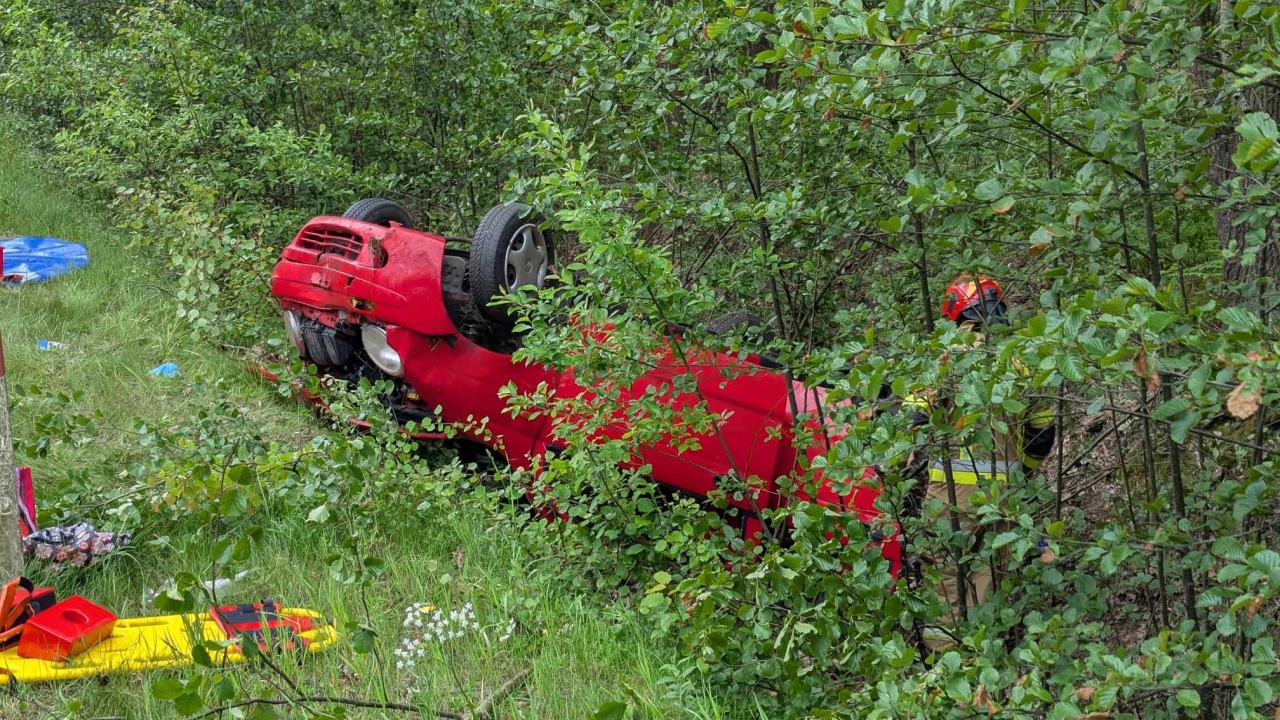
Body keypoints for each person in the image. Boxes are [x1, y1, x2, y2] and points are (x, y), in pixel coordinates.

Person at [907, 275, 1056, 651]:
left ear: (958, 312)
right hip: (1002, 496)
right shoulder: (1022, 360)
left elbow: (913, 420)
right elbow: (1042, 434)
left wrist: (901, 472)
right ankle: (983, 672)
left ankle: (944, 672)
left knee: (943, 582)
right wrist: (1021, 472)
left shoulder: (948, 356)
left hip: (949, 495)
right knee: (987, 581)